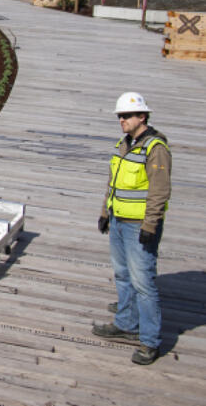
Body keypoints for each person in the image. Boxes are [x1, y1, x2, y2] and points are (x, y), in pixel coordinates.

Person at [91, 91, 171, 365]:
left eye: (126, 116)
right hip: (118, 220)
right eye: (120, 116)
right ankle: (126, 323)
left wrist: (150, 224)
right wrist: (105, 212)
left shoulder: (155, 148)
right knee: (123, 275)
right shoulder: (124, 145)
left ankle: (149, 341)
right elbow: (112, 183)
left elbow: (160, 191)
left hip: (139, 226)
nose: (121, 120)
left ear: (142, 116)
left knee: (143, 283)